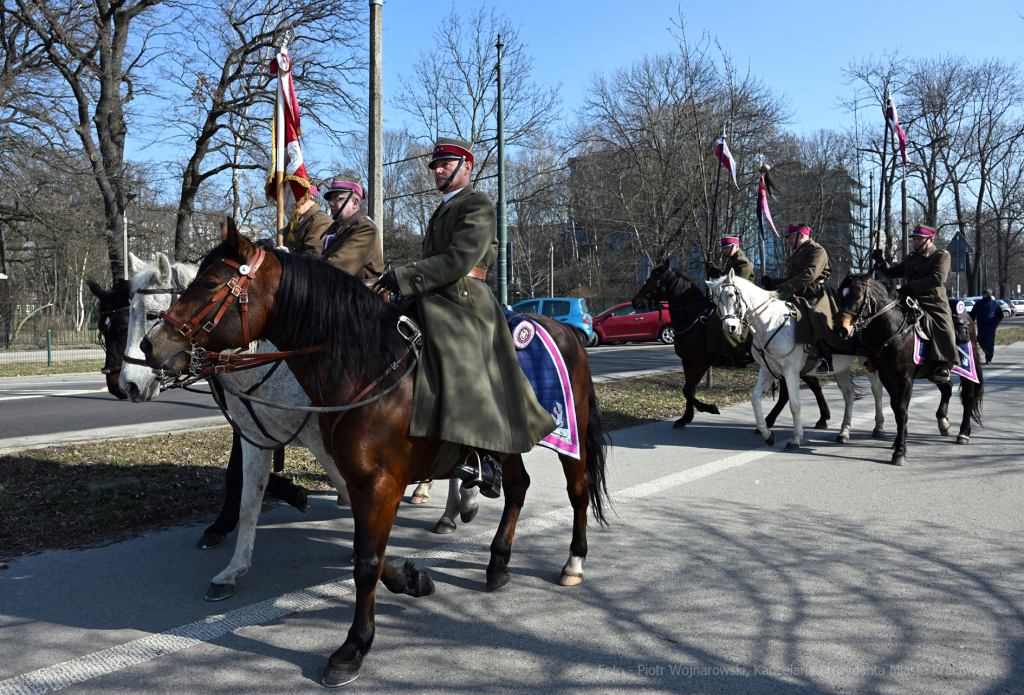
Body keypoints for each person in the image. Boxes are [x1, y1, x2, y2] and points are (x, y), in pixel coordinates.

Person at [374, 138, 555, 499]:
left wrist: (405, 276)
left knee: (464, 353)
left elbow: (458, 261)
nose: (438, 170)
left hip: (464, 299)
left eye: (446, 163)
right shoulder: (443, 208)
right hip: (431, 295)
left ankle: (486, 453)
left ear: (466, 167)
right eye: (436, 165)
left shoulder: (478, 203)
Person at [872, 225, 957, 379]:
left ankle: (944, 363)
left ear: (930, 239)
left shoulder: (941, 256)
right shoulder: (911, 257)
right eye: (914, 239)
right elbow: (892, 272)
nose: (915, 242)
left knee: (942, 323)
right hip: (909, 297)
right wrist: (880, 261)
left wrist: (911, 287)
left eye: (919, 239)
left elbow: (938, 278)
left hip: (931, 299)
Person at [763, 224, 839, 374]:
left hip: (816, 294)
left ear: (801, 235)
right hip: (800, 293)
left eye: (791, 237)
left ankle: (826, 358)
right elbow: (792, 278)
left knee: (815, 315)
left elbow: (809, 275)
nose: (789, 241)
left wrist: (784, 287)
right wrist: (773, 282)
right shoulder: (798, 253)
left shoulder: (817, 250)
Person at [319, 176, 384, 279]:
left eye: (337, 198)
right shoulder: (338, 229)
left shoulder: (365, 228)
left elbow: (335, 268)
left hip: (361, 294)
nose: (331, 203)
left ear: (355, 202)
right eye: (330, 199)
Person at [279, 185, 333, 257]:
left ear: (305, 198)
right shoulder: (293, 224)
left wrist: (288, 257)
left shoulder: (320, 221)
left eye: (292, 197)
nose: (288, 202)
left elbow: (313, 258)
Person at [969, 289, 1002, 365]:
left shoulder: (995, 303)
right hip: (981, 325)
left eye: (986, 295)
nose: (984, 296)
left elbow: (1000, 315)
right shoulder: (978, 303)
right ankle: (987, 350)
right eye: (983, 295)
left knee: (989, 342)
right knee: (980, 340)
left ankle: (988, 359)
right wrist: (970, 322)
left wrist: (996, 324)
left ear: (989, 295)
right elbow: (973, 314)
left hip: (991, 326)